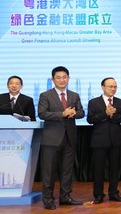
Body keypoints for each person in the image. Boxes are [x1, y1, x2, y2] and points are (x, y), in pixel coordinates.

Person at [38, 66, 85, 210]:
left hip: (70, 138)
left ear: (68, 78)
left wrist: (74, 114)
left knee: (67, 171)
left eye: (64, 77)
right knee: (49, 172)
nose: (61, 80)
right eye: (58, 77)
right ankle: (48, 199)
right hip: (51, 139)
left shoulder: (74, 95)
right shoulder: (45, 95)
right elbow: (42, 114)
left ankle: (65, 197)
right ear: (53, 79)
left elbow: (82, 112)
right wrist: (62, 114)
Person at [87, 77, 121, 204]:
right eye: (110, 86)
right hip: (99, 140)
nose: (113, 89)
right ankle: (98, 195)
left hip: (116, 140)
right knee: (98, 169)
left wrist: (113, 115)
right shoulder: (94, 102)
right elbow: (90, 119)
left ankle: (113, 193)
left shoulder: (120, 102)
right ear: (103, 87)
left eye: (115, 86)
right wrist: (105, 114)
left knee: (115, 169)